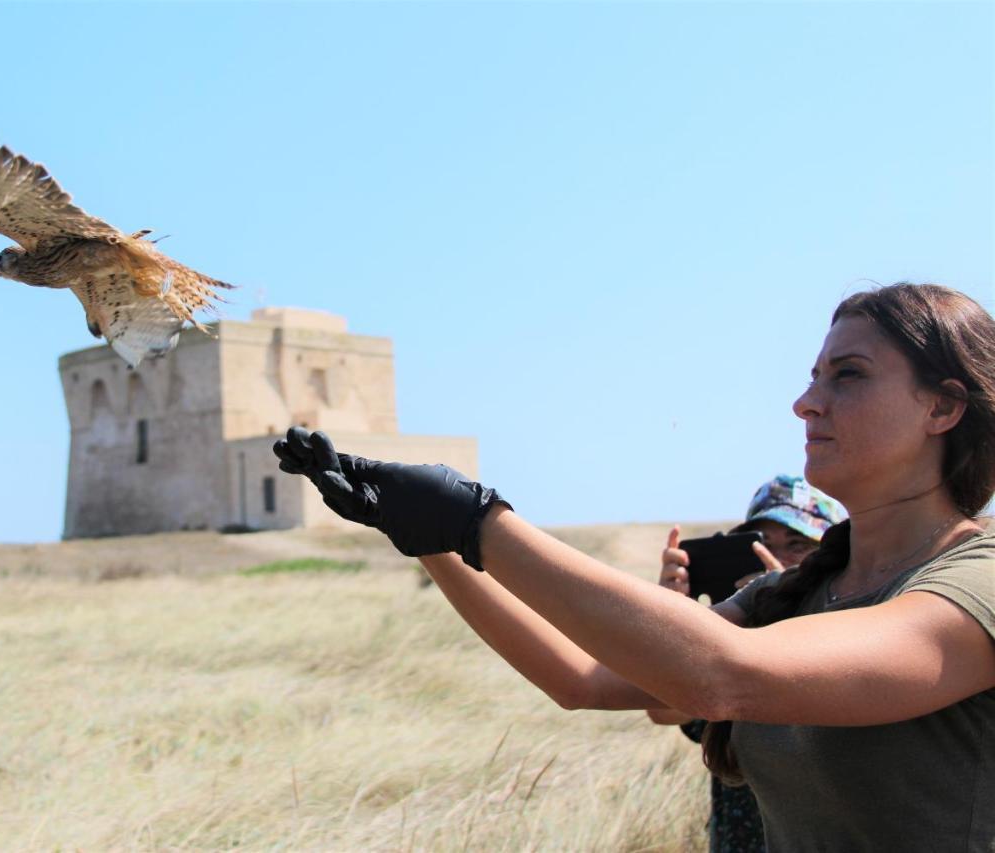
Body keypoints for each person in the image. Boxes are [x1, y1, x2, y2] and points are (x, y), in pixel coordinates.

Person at [274, 283, 995, 850]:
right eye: (814, 376)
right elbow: (581, 681)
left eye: (849, 375)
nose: (807, 402)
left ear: (942, 406)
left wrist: (477, 519)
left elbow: (719, 675)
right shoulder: (799, 592)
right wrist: (426, 537)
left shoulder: (975, 582)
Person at [650, 475, 846, 853]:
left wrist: (787, 613)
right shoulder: (730, 644)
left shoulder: (856, 635)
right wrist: (671, 619)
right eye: (762, 544)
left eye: (798, 546)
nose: (780, 559)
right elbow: (662, 708)